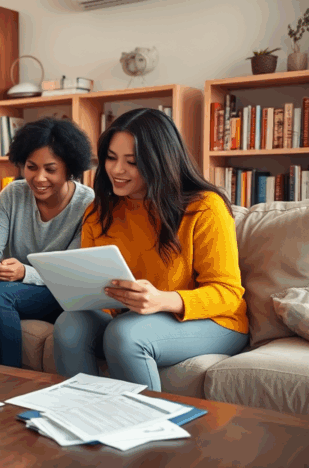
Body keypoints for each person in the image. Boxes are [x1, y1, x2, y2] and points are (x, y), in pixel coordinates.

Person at [53, 108, 249, 391]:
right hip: (135, 316)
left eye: (131, 162)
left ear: (160, 161)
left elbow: (228, 294)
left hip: (214, 321)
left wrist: (162, 300)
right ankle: (81, 417)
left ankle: (148, 432)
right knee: (70, 324)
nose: (117, 170)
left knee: (126, 334)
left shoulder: (205, 207)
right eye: (111, 157)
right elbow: (97, 293)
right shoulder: (99, 212)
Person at [0, 118, 95, 368]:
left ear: (69, 168)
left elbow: (72, 271)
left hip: (60, 291)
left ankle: (12, 379)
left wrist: (24, 272)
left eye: (50, 169)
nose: (39, 178)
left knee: (0, 293)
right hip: (17, 283)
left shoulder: (87, 205)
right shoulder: (13, 194)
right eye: (31, 167)